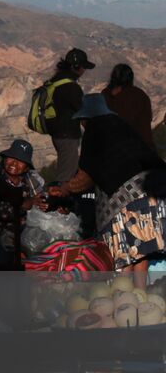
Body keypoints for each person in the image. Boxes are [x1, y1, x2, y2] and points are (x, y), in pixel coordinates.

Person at [57, 94, 166, 288]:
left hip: (128, 202)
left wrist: (64, 189)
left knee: (123, 253)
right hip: (156, 192)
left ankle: (123, 298)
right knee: (141, 250)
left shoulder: (95, 129)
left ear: (85, 119)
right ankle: (141, 295)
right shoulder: (120, 125)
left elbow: (85, 177)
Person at [0, 139, 45, 269]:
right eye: (11, 158)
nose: (14, 163)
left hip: (23, 238)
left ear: (26, 167)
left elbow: (40, 198)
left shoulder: (28, 182)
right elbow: (4, 211)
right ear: (4, 159)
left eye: (20, 161)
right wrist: (26, 203)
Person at [40, 48, 94, 184]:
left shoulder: (56, 81)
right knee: (66, 177)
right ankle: (60, 201)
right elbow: (83, 112)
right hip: (67, 136)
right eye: (83, 67)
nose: (83, 71)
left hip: (58, 134)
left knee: (67, 171)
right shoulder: (70, 87)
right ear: (76, 67)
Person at [102, 63, 154, 147]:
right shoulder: (139, 95)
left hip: (111, 146)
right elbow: (146, 121)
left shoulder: (105, 94)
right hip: (138, 146)